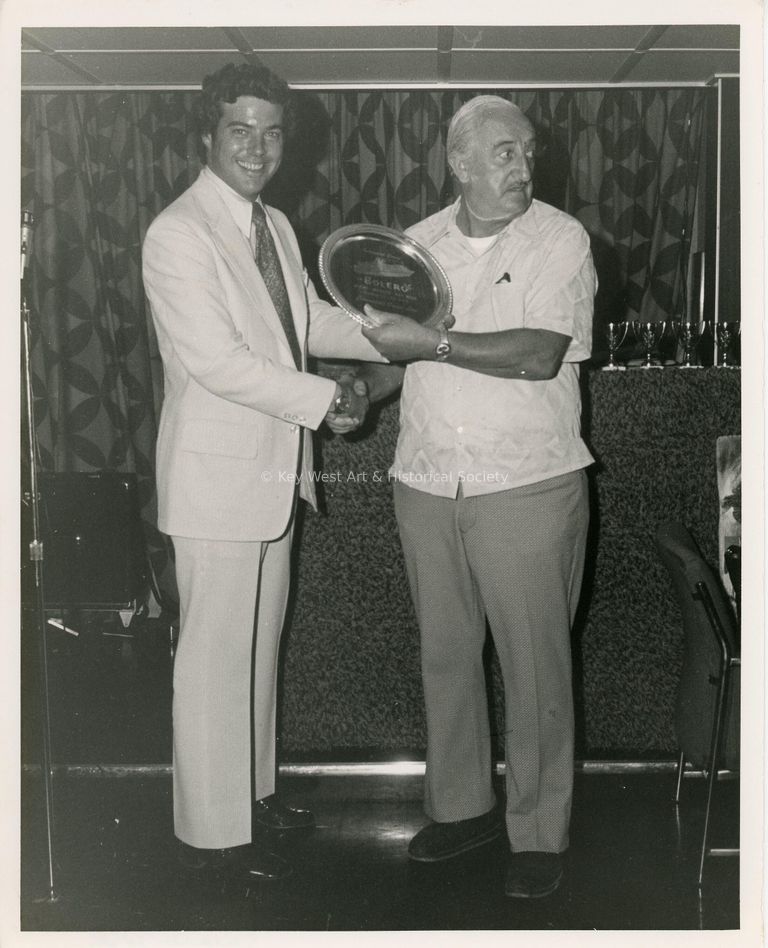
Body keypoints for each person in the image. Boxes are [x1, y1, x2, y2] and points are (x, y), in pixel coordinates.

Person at [142, 62, 382, 882]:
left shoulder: (272, 223)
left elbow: (304, 319)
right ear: (207, 135)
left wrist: (393, 332)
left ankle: (252, 796)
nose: (258, 146)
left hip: (273, 473)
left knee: (256, 651)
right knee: (212, 660)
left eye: (271, 131)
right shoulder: (178, 231)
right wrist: (327, 400)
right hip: (214, 481)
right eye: (239, 129)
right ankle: (214, 840)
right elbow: (218, 361)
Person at [356, 95, 596, 899]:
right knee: (446, 658)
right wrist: (361, 386)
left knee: (535, 667)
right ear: (458, 162)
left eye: (528, 153)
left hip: (525, 483)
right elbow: (400, 360)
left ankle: (538, 831)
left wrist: (431, 341)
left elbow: (539, 355)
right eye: (503, 153)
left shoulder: (559, 239)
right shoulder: (414, 247)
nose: (523, 167)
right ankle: (462, 808)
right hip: (426, 481)